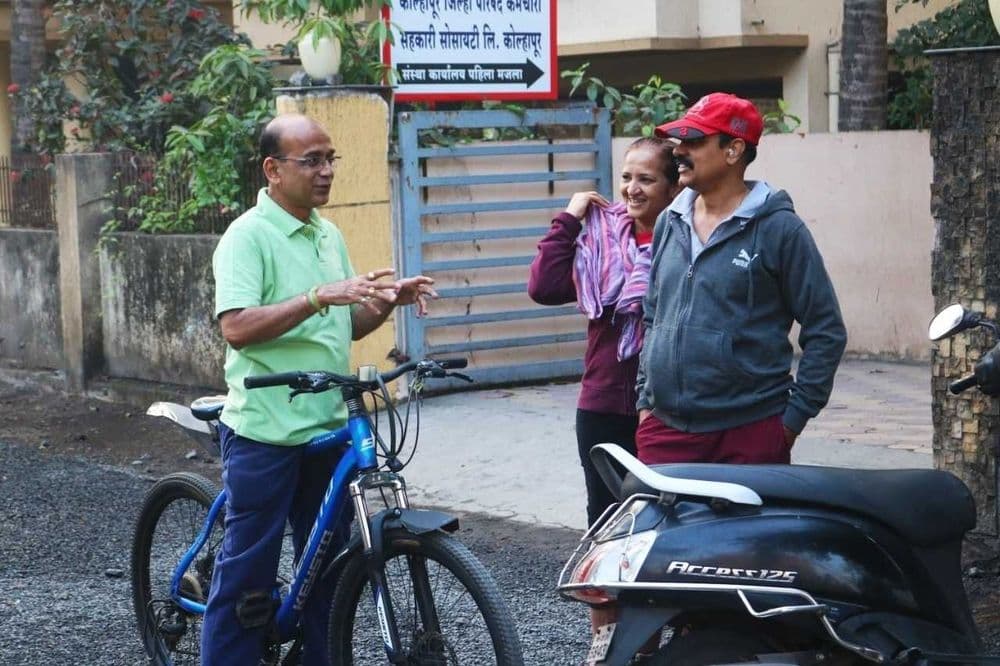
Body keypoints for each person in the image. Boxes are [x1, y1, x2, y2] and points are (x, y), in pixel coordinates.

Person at [202, 113, 436, 665]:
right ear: (273, 169)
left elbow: (345, 324)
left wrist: (384, 302)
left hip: (327, 427)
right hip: (266, 430)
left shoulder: (326, 233)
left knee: (330, 579)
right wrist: (315, 296)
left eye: (331, 158)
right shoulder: (247, 236)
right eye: (312, 161)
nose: (327, 171)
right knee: (247, 582)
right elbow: (235, 326)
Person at [636, 92, 847, 466]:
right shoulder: (671, 221)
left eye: (694, 142)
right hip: (666, 431)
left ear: (733, 151)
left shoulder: (780, 229)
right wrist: (645, 403)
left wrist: (790, 423)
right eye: (680, 141)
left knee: (748, 527)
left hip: (750, 433)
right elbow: (653, 315)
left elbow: (825, 329)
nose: (679, 151)